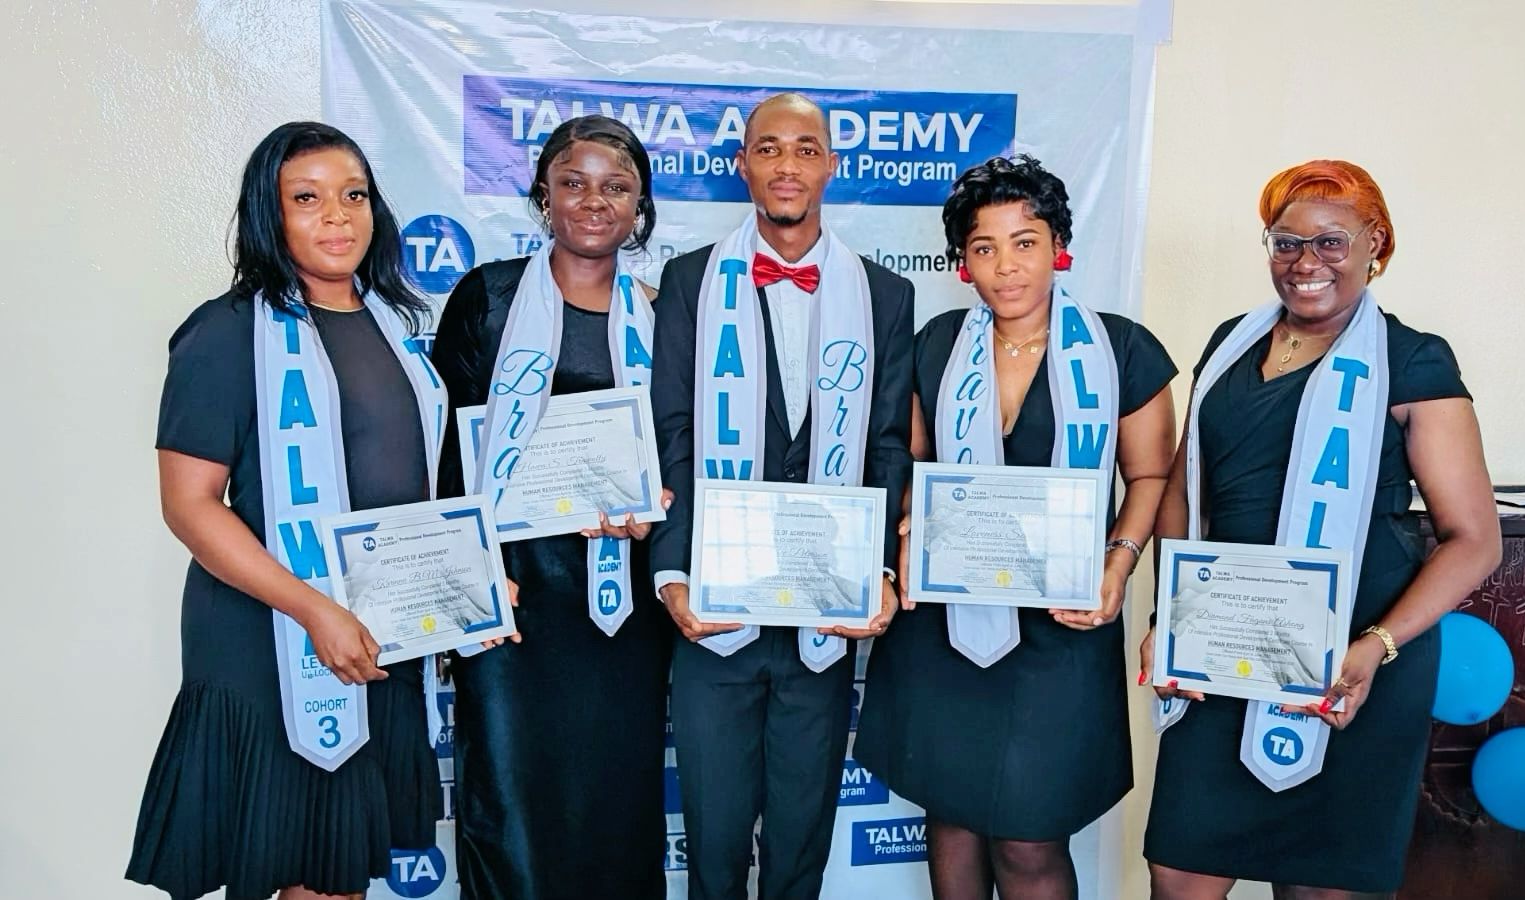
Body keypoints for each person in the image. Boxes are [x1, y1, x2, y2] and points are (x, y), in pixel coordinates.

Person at [1139, 160, 1502, 899]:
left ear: (1377, 244)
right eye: (1285, 242)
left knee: (1321, 886)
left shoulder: (1412, 359)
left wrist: (1377, 647)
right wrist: (1170, 619)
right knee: (1179, 870)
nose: (1305, 263)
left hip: (1355, 661)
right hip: (1226, 651)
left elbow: (1474, 539)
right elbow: (1181, 491)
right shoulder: (1229, 344)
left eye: (1331, 242)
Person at [127, 121, 471, 900]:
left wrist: (466, 583)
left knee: (338, 873)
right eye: (307, 199)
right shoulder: (225, 332)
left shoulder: (400, 330)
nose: (338, 217)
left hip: (374, 627)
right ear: (268, 216)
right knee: (291, 873)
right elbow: (189, 506)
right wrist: (313, 608)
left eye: (354, 196)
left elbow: (411, 488)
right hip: (266, 633)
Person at [854, 155, 1178, 900]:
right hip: (946, 630)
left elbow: (1152, 478)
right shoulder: (934, 344)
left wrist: (1119, 564)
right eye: (984, 247)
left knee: (1030, 843)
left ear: (1057, 243)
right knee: (954, 827)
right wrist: (907, 527)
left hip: (1061, 627)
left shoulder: (1120, 349)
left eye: (1024, 241)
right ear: (962, 262)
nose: (1006, 266)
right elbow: (912, 462)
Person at [649, 92, 914, 900]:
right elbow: (675, 431)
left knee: (802, 843)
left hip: (823, 618)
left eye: (806, 148)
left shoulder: (885, 293)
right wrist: (670, 574)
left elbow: (886, 446)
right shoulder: (691, 280)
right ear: (744, 166)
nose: (788, 165)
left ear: (831, 165)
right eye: (769, 149)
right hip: (716, 612)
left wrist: (879, 570)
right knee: (716, 844)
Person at [431, 114, 673, 900]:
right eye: (573, 182)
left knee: (616, 801)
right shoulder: (489, 299)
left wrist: (660, 502)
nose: (594, 201)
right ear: (543, 196)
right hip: (513, 600)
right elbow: (445, 453)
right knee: (509, 798)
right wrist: (463, 579)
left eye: (616, 186)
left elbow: (678, 455)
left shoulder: (665, 315)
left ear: (640, 205)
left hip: (624, 609)